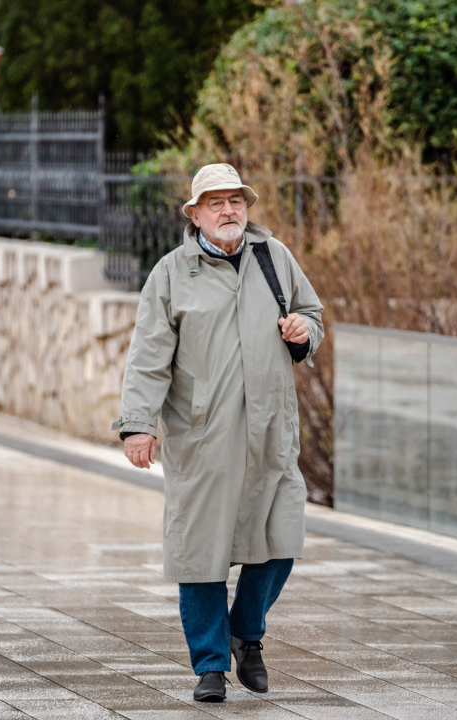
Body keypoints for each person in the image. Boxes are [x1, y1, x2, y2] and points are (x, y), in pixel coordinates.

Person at [115, 163, 324, 702]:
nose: (229, 210)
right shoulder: (170, 273)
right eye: (216, 202)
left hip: (272, 432)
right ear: (195, 214)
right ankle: (210, 665)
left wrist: (304, 331)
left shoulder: (274, 257)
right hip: (204, 437)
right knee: (201, 551)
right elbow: (148, 358)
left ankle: (245, 632)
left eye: (236, 200)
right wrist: (137, 425)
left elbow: (311, 313)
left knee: (282, 537)